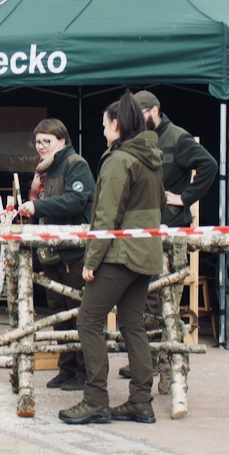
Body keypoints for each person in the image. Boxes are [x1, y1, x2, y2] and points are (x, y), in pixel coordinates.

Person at [59, 91, 165, 426]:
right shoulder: (151, 156)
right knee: (133, 325)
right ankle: (139, 401)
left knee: (88, 321)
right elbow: (160, 203)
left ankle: (95, 400)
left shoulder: (119, 160)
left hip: (119, 255)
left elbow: (104, 217)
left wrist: (91, 262)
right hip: (146, 254)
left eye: (104, 125)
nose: (102, 131)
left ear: (116, 124)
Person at [116, 90, 218, 379]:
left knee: (161, 299)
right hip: (144, 228)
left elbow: (209, 166)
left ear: (154, 111)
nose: (136, 119)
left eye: (140, 113)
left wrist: (185, 198)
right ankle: (143, 359)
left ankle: (156, 364)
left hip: (170, 229)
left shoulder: (177, 137)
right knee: (141, 296)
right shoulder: (137, 139)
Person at [18, 119, 95, 392]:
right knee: (59, 314)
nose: (41, 147)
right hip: (50, 254)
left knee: (78, 314)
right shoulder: (43, 171)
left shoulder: (76, 165)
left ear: (62, 140)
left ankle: (84, 372)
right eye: (38, 142)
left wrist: (37, 207)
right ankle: (67, 368)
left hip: (73, 253)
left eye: (46, 141)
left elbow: (75, 202)